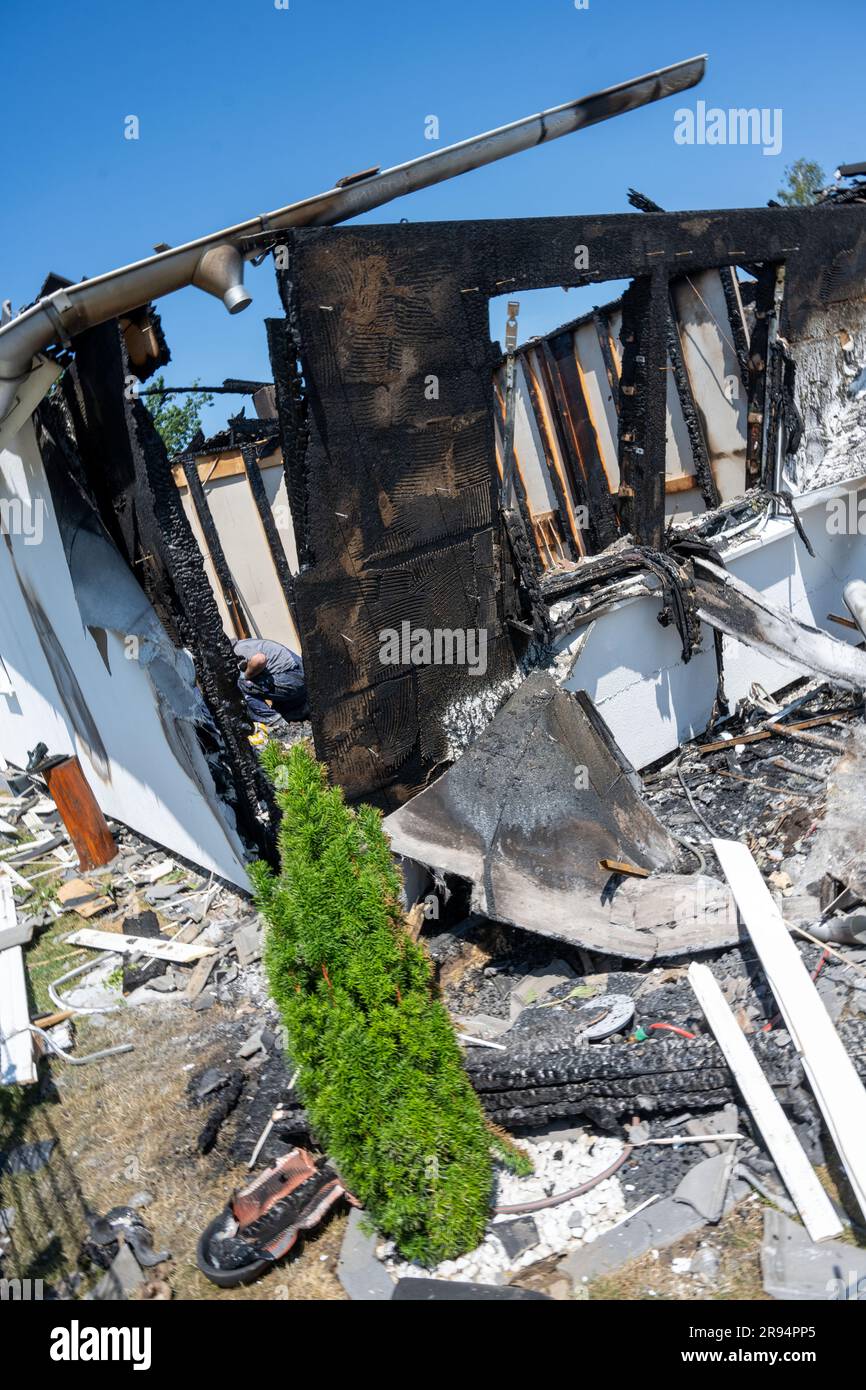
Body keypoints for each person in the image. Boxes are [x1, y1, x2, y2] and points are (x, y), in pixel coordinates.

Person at [232, 637, 308, 728]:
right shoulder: (248, 643)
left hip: (292, 678)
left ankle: (276, 723)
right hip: (300, 677)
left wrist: (246, 677)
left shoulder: (237, 649)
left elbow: (259, 659)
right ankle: (299, 709)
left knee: (239, 684)